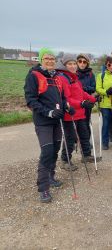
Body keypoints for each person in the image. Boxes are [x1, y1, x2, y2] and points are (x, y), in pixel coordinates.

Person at [24, 47, 69, 203]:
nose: (50, 61)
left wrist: (66, 106)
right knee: (47, 152)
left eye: (52, 58)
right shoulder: (33, 76)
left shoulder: (57, 77)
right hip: (43, 121)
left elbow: (61, 98)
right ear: (41, 60)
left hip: (57, 120)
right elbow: (31, 101)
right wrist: (48, 112)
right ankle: (43, 188)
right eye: (46, 58)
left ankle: (51, 176)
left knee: (55, 149)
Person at [56, 54, 96, 170]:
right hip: (70, 114)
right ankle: (65, 160)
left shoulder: (74, 77)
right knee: (70, 138)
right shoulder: (63, 78)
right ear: (64, 65)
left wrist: (94, 98)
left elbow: (82, 93)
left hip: (80, 114)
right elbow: (66, 98)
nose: (73, 66)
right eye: (70, 64)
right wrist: (81, 104)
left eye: (74, 63)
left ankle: (86, 155)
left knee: (84, 135)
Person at [76, 53, 96, 141]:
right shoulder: (74, 73)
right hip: (76, 102)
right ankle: (77, 141)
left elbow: (93, 87)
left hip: (87, 101)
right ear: (77, 62)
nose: (82, 63)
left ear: (87, 63)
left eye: (84, 62)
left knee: (86, 122)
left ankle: (86, 141)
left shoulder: (90, 74)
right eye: (80, 61)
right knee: (77, 122)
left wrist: (84, 88)